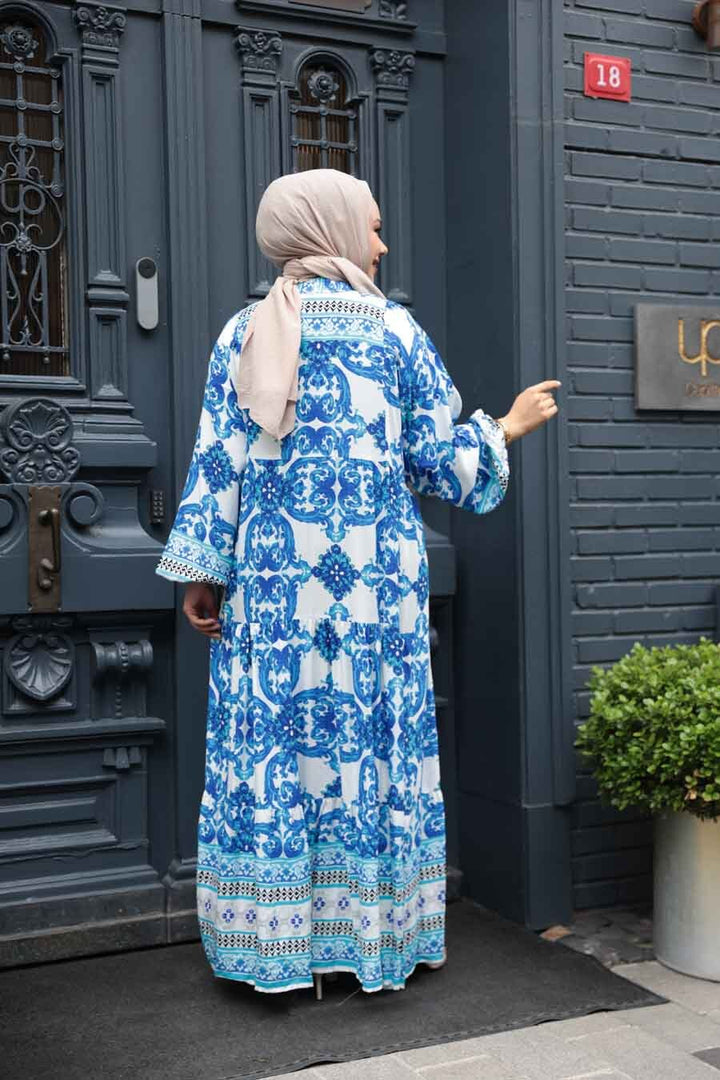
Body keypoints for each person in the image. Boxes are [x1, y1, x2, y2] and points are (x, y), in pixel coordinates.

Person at [156, 169, 559, 996]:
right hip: (374, 594)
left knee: (277, 749)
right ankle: (372, 934)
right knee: (371, 750)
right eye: (371, 227)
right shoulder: (395, 333)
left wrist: (203, 572)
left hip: (270, 593)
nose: (380, 243)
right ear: (329, 227)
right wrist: (504, 427)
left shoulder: (243, 333)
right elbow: (442, 466)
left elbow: (216, 465)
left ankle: (273, 944)